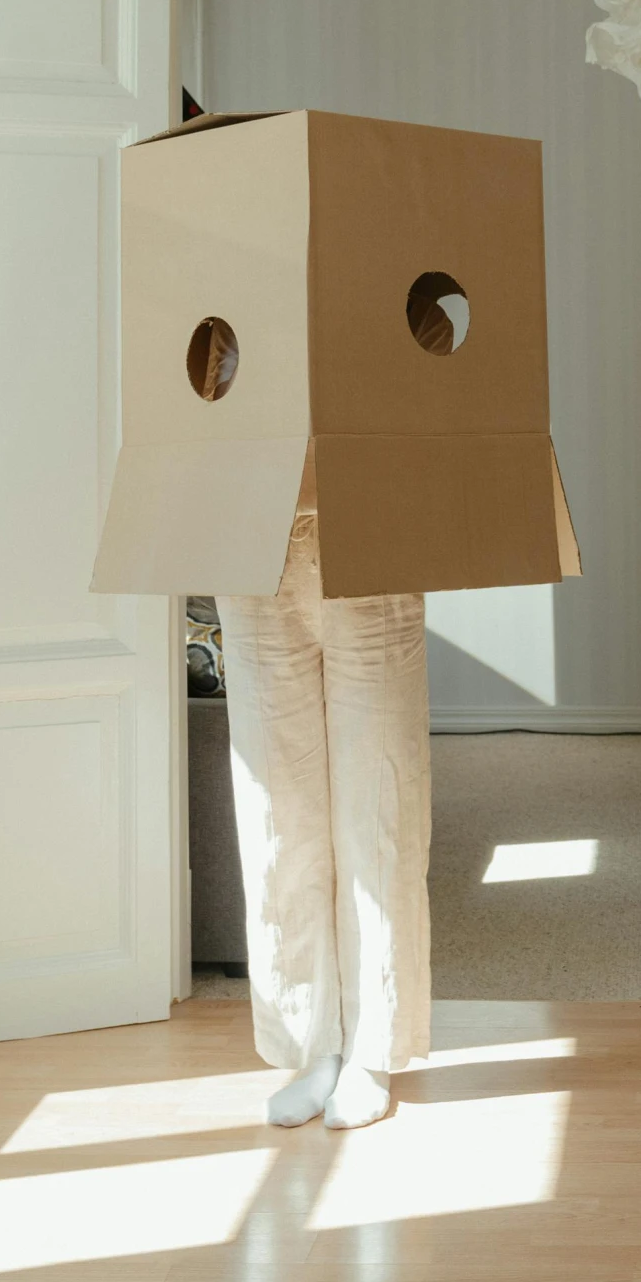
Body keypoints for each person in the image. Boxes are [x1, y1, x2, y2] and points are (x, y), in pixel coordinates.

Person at [217, 461, 431, 1129]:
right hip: (248, 531)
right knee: (277, 814)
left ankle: (373, 1048)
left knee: (377, 808)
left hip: (372, 523)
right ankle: (313, 1047)